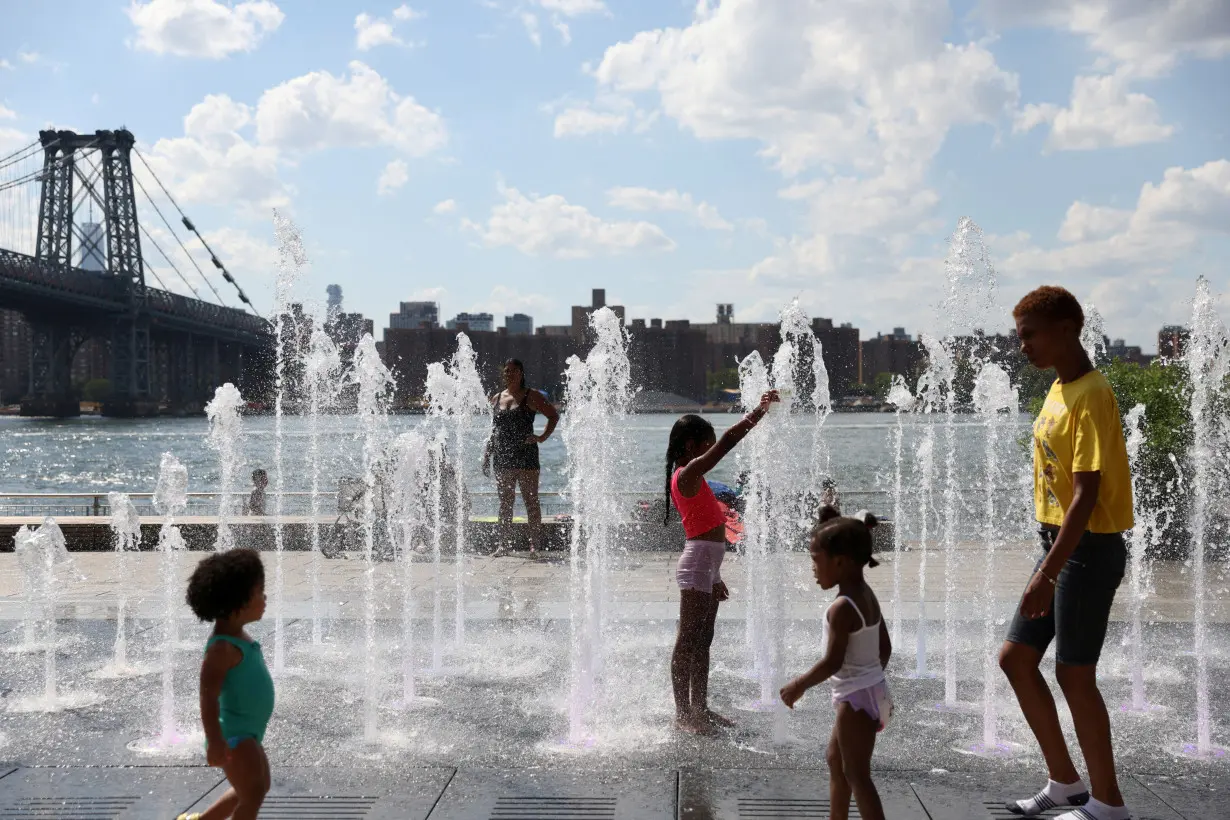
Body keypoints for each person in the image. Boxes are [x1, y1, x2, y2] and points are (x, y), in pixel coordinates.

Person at [1000, 286, 1134, 820]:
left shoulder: (1091, 392)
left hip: (1087, 548)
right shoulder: (1059, 388)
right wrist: (1048, 561)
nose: (1023, 346)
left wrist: (1047, 573)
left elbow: (1087, 495)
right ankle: (1065, 783)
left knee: (1075, 673)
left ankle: (1109, 804)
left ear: (1067, 329)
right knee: (1016, 659)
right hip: (1057, 543)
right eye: (1020, 336)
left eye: (1030, 335)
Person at [664, 391, 776, 733]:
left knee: (704, 639)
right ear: (690, 445)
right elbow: (728, 442)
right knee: (688, 639)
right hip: (697, 563)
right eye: (705, 445)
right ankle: (684, 714)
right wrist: (757, 413)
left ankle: (701, 707)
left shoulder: (693, 475)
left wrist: (715, 576)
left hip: (707, 567)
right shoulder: (687, 473)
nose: (710, 451)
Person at [780, 510, 891, 820]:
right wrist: (872, 681)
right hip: (867, 692)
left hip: (856, 698)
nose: (813, 570)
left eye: (816, 561)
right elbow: (885, 647)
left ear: (840, 562)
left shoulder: (842, 607)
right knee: (835, 760)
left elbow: (832, 662)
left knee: (858, 776)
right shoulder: (866, 595)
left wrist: (798, 685)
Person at [179, 548, 274, 820]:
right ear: (238, 601)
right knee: (252, 793)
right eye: (259, 591)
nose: (264, 597)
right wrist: (215, 741)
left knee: (256, 788)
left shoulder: (237, 636)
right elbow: (208, 698)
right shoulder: (221, 648)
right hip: (234, 735)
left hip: (248, 732)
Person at [483, 359, 559, 556]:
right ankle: (504, 545)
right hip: (502, 456)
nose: (510, 374)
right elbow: (495, 430)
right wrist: (486, 454)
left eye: (514, 371)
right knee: (505, 502)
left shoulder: (531, 396)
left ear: (521, 373)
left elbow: (553, 415)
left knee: (530, 501)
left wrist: (541, 437)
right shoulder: (496, 398)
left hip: (526, 456)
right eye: (507, 371)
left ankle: (535, 546)